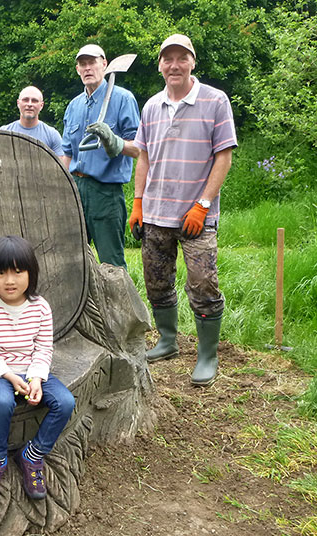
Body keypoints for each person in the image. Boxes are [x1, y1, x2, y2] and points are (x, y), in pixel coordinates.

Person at [131, 34, 237, 386]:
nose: (174, 65)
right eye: (167, 59)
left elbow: (224, 157)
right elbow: (143, 156)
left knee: (203, 283)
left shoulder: (215, 100)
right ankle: (167, 341)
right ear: (160, 65)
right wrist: (138, 202)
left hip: (197, 216)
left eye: (182, 58)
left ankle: (207, 355)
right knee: (156, 281)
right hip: (156, 212)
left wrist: (203, 204)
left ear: (193, 62)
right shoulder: (151, 106)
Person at [0, 236, 76, 501]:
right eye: (0, 272)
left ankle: (33, 454)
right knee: (3, 401)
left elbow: (43, 348)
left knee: (64, 402)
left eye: (18, 272)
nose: (9, 281)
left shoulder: (40, 308)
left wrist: (37, 379)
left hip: (31, 370)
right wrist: (7, 375)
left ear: (31, 273)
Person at [61, 44, 140, 269]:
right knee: (73, 262)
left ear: (104, 64)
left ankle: (119, 305)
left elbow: (139, 149)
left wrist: (114, 141)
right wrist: (61, 188)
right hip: (75, 190)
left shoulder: (123, 99)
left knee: (111, 265)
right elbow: (67, 154)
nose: (87, 68)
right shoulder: (73, 106)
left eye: (92, 62)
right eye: (82, 64)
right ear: (77, 69)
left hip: (105, 193)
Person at [0, 86, 64, 157]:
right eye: (25, 100)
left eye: (34, 101)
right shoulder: (4, 132)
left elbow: (61, 165)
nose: (29, 104)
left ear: (41, 105)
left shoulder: (52, 135)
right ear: (18, 103)